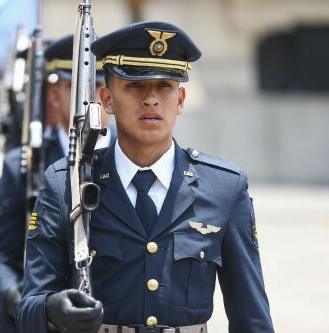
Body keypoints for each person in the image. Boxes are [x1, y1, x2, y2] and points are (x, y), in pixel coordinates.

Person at [17, 21, 275, 333]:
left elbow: (252, 318)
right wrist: (51, 308)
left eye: (164, 86)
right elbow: (29, 307)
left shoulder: (224, 188)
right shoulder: (65, 184)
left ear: (180, 100)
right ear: (107, 99)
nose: (151, 99)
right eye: (135, 86)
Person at [0, 34, 115, 330]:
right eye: (75, 89)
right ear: (55, 95)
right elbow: (0, 260)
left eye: (97, 88)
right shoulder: (22, 164)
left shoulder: (129, 159)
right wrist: (27, 304)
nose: (88, 100)